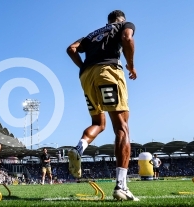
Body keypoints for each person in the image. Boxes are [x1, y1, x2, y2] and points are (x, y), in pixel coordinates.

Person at [66, 10, 138, 201]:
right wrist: (131, 65)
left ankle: (79, 148)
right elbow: (127, 39)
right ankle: (121, 186)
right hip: (109, 70)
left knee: (99, 122)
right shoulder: (124, 25)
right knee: (122, 127)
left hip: (86, 76)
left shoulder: (91, 35)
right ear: (121, 19)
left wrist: (83, 67)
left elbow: (71, 49)